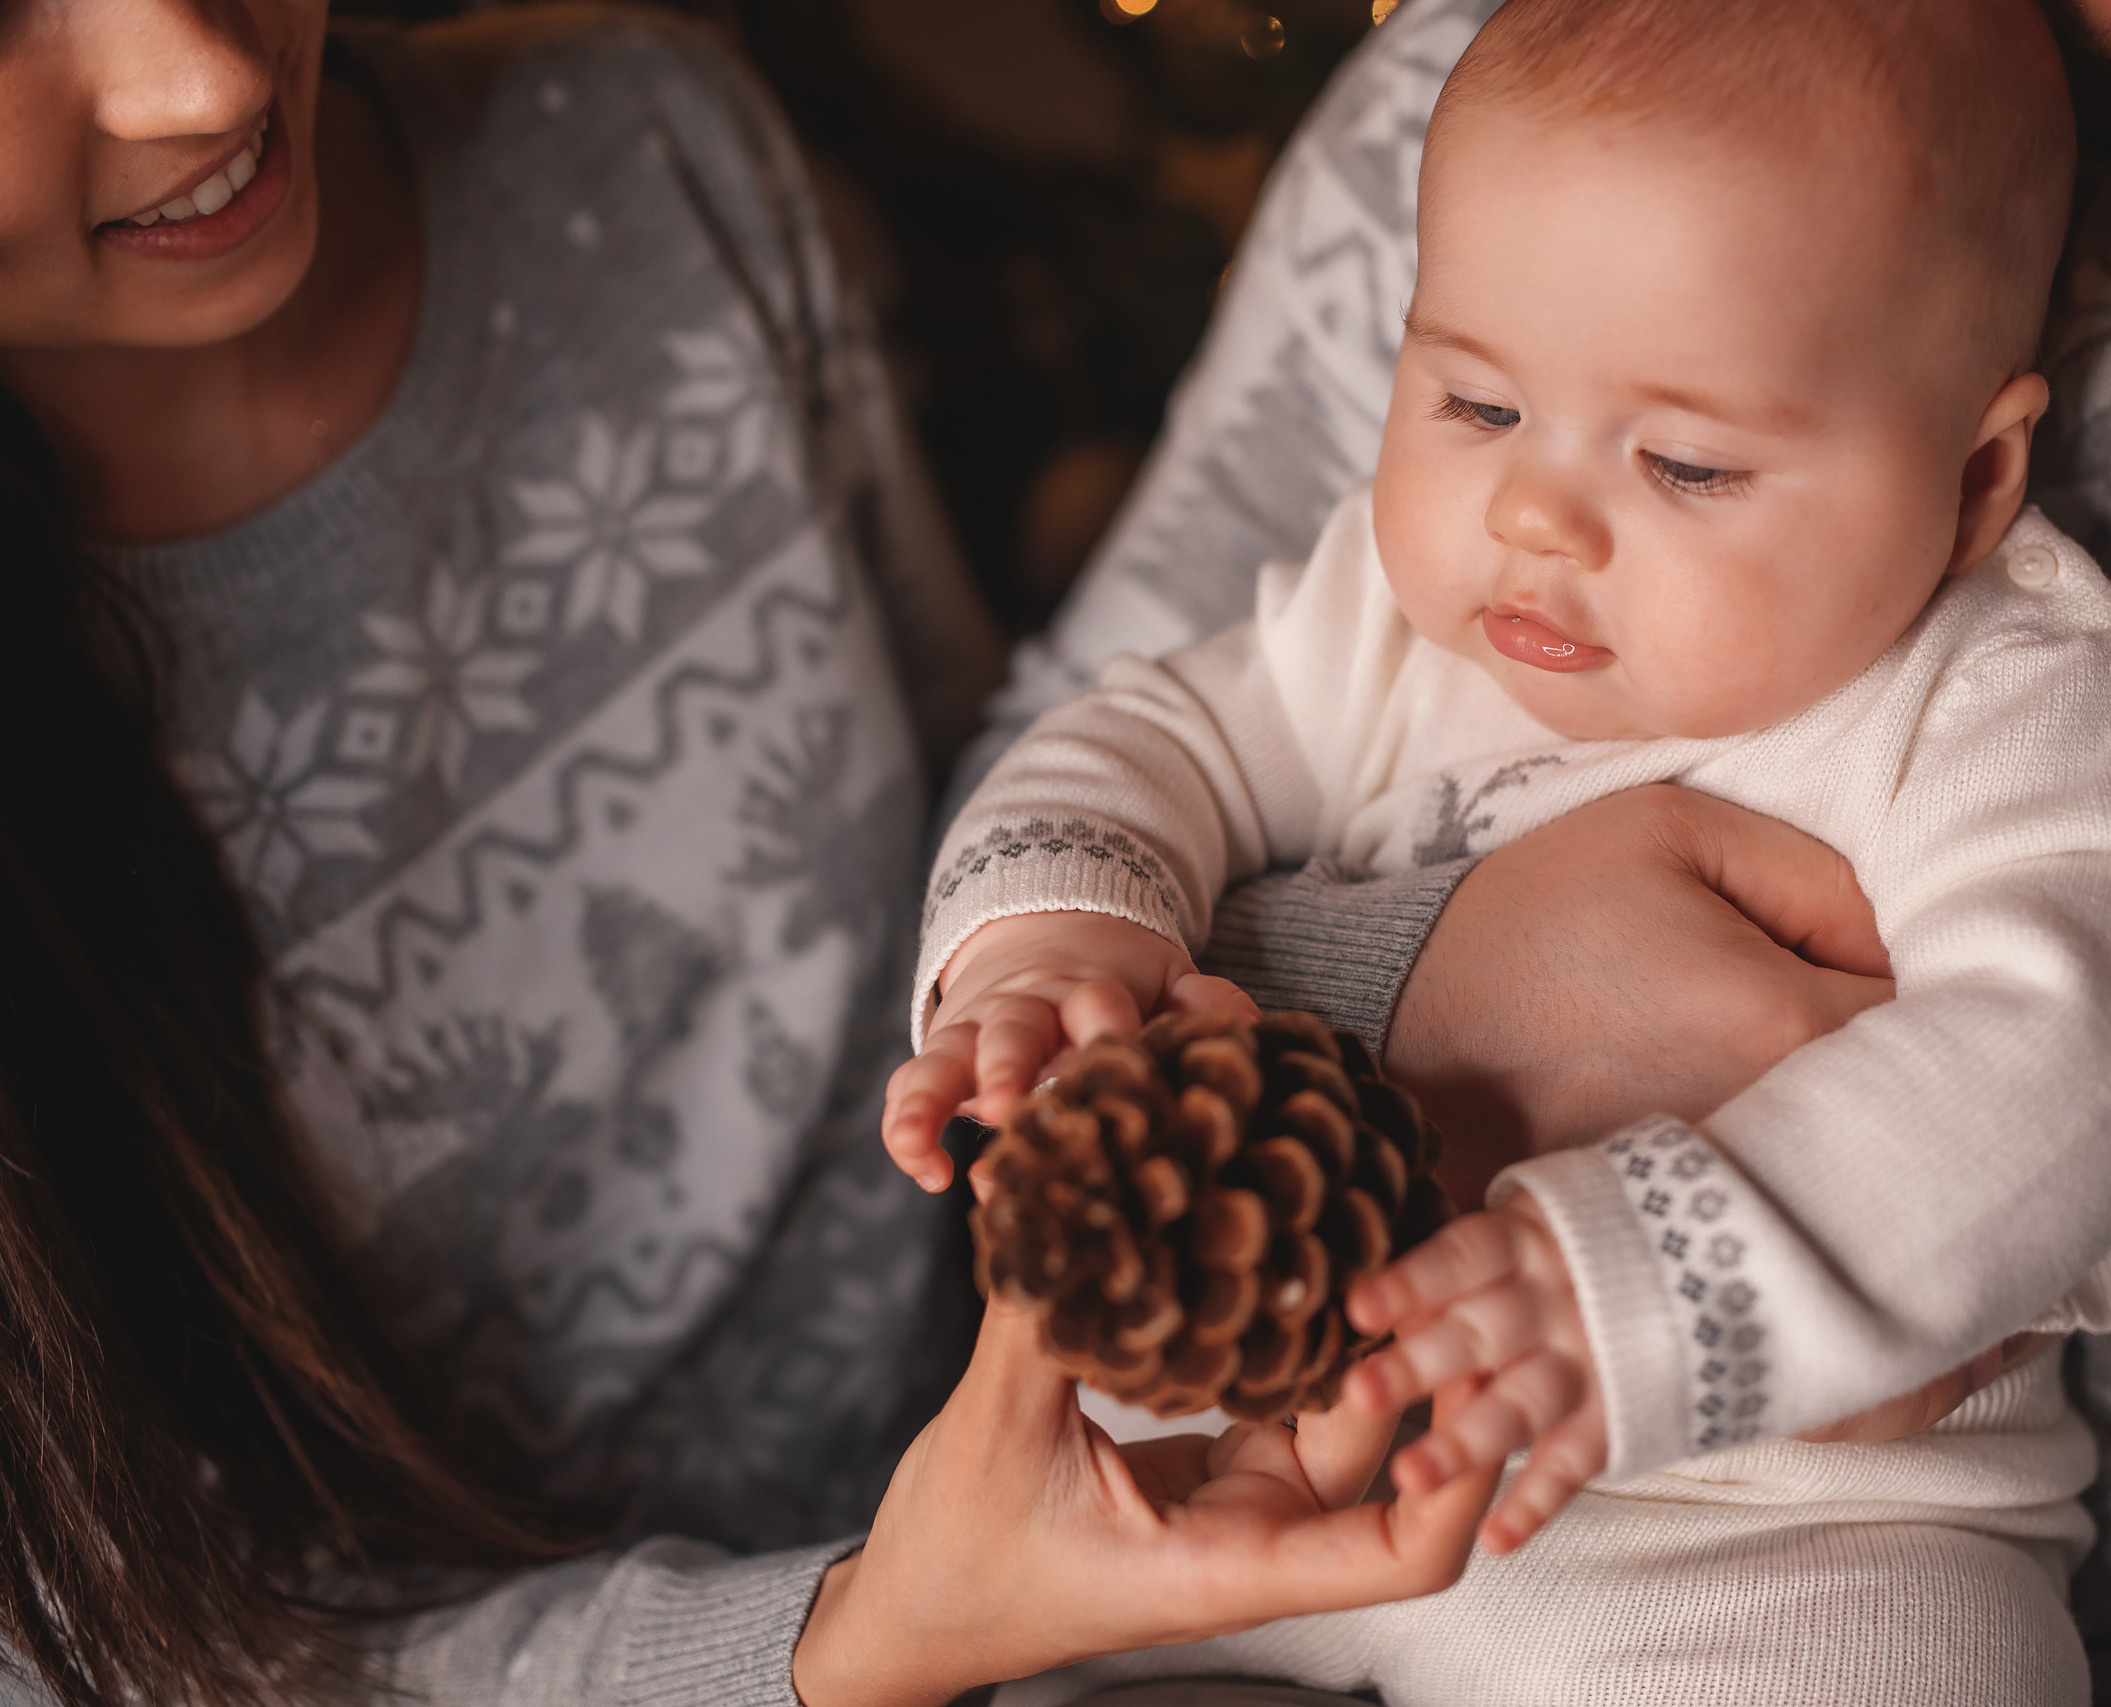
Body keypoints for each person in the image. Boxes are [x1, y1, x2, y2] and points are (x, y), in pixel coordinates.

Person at [980, 0, 2111, 1700]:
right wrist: (1053, 936)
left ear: (1971, 481)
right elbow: (1145, 738)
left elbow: (2072, 1035)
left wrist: (1651, 1279)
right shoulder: (1395, 616)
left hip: (1767, 1544)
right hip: (1266, 1477)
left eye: (1686, 461)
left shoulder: (1999, 695)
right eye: (1472, 401)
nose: (1535, 516)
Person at [0, 3, 1504, 1704]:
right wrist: (869, 1638)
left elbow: (967, 828)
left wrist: (1415, 962)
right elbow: (132, 1656)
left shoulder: (627, 150)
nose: (197, 77)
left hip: (1158, 1532)